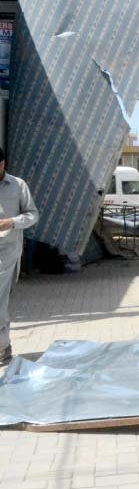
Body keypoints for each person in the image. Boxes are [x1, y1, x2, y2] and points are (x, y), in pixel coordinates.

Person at [0, 148, 38, 365]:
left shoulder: (18, 185)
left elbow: (33, 214)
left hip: (7, 251)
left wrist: (12, 222)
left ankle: (3, 347)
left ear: (3, 164)